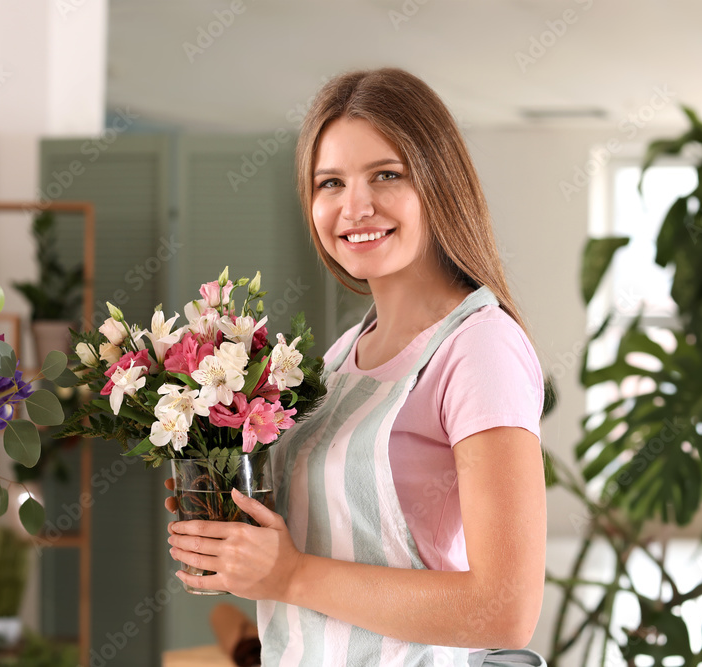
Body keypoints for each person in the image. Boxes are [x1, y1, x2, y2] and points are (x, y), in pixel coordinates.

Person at [165, 67, 547, 667]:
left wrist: (290, 576)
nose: (355, 206)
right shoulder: (342, 356)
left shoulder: (479, 350)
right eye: (330, 183)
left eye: (387, 175)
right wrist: (230, 518)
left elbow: (505, 609)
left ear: (440, 184)